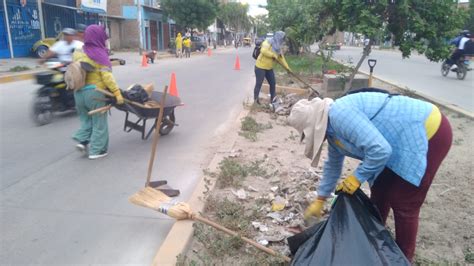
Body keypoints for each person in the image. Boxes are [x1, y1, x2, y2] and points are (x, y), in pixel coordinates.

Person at [288, 90, 452, 262]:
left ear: (316, 125)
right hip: (395, 141)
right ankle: (374, 244)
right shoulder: (332, 132)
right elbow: (333, 165)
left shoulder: (340, 115)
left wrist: (357, 177)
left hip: (428, 131)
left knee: (404, 200)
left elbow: (380, 150)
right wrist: (321, 198)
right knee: (380, 191)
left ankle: (402, 258)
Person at [72, 25, 124, 160]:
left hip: (78, 93)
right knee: (99, 122)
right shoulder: (99, 54)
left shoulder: (78, 52)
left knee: (86, 119)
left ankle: (82, 141)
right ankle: (97, 150)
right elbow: (107, 77)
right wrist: (117, 93)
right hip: (95, 93)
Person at [253, 31, 290, 105]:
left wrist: (288, 68)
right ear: (278, 37)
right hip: (260, 67)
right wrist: (272, 55)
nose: (282, 40)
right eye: (282, 38)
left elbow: (281, 59)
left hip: (269, 68)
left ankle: (273, 99)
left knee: (273, 83)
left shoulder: (278, 47)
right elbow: (263, 51)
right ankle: (256, 101)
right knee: (259, 84)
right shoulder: (268, 42)